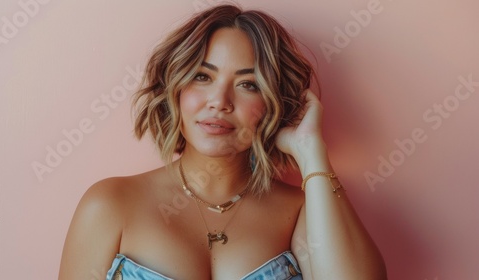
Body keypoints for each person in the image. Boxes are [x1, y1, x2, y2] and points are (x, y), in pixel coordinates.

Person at [59, 4, 386, 280]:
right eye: (203, 76)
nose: (219, 101)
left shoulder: (302, 212)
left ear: (274, 102)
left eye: (248, 84)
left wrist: (311, 152)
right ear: (176, 88)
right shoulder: (110, 204)